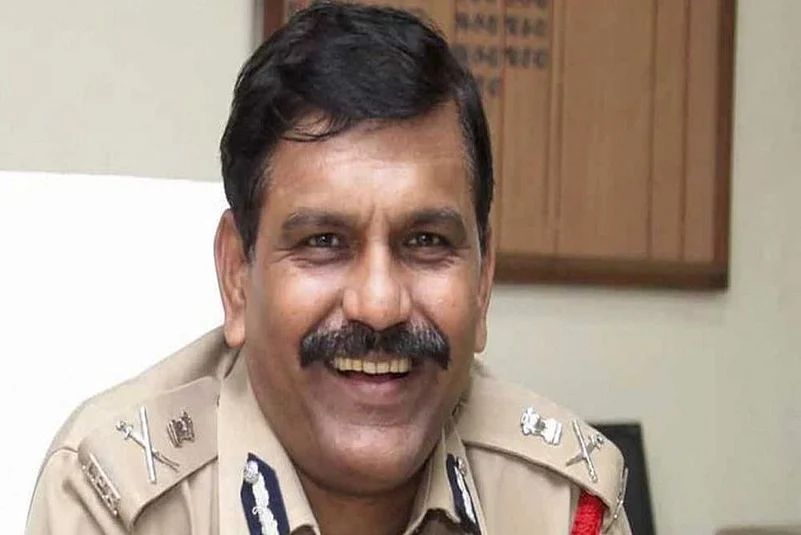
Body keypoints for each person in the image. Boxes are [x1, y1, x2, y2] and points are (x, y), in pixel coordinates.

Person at [25, 3, 632, 534]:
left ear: (483, 283)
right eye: (323, 242)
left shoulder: (562, 506)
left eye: (426, 241)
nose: (379, 304)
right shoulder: (117, 498)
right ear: (237, 276)